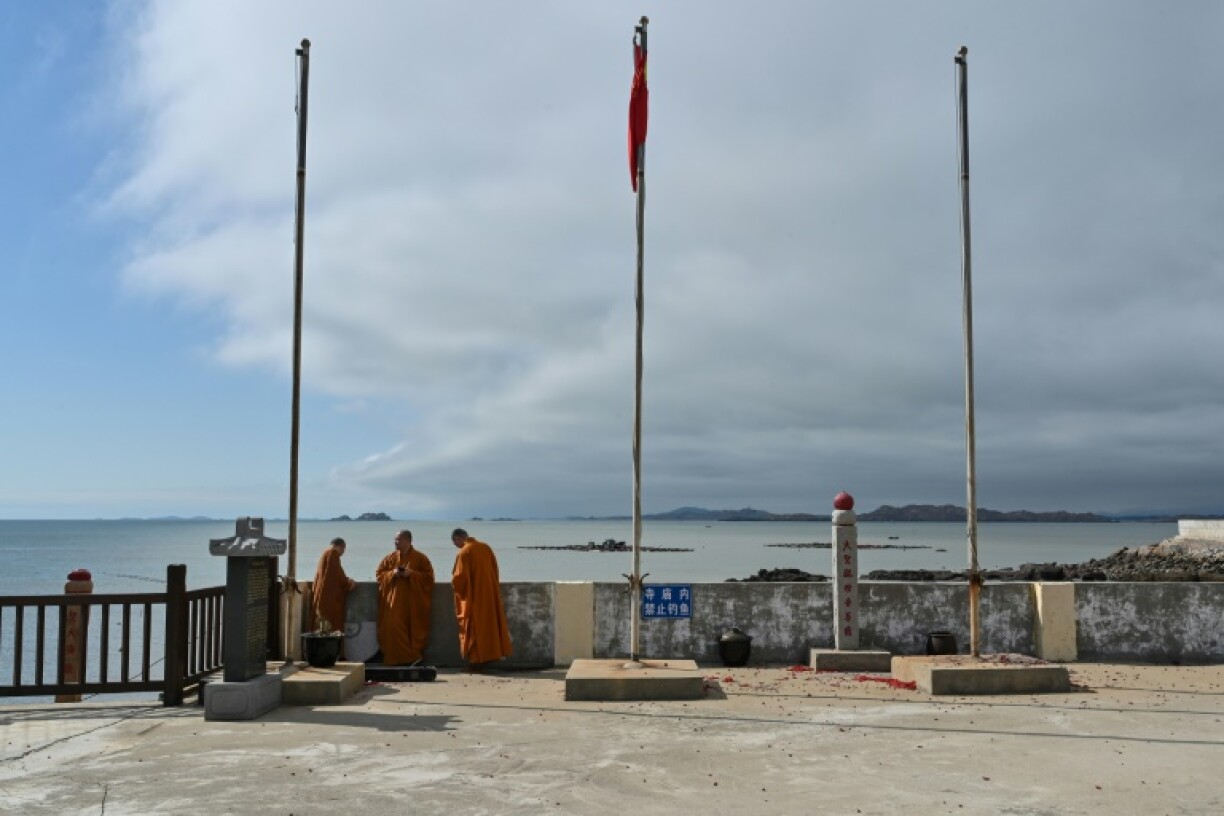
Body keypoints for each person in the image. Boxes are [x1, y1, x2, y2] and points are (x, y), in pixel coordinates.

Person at [450, 528, 512, 670]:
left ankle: (476, 661)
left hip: (473, 599)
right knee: (489, 627)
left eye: (456, 543)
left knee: (474, 627)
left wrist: (456, 587)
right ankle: (487, 658)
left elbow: (459, 579)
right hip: (489, 595)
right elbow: (495, 570)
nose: (457, 546)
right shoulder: (486, 548)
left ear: (458, 539)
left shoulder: (464, 552)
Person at [375, 530, 435, 665]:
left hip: (414, 602)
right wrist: (392, 574)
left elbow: (429, 578)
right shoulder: (389, 558)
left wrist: (411, 574)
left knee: (413, 630)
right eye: (395, 540)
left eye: (398, 540)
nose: (395, 542)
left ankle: (413, 658)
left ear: (408, 541)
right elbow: (379, 575)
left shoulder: (421, 558)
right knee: (392, 626)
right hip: (394, 602)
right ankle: (395, 659)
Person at [310, 537, 356, 639]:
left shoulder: (324, 554)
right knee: (329, 628)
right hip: (329, 600)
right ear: (341, 546)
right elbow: (337, 574)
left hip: (321, 596)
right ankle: (331, 653)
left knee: (321, 627)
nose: (343, 552)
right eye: (344, 549)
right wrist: (348, 582)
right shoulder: (333, 554)